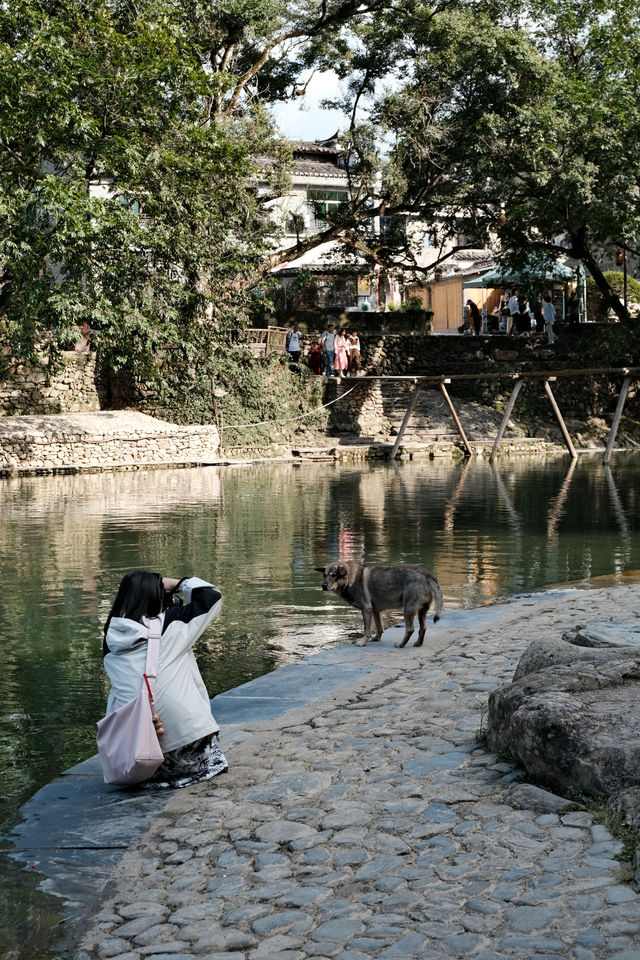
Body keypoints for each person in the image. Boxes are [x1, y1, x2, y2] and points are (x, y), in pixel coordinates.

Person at [102, 571, 228, 789]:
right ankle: (187, 766)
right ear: (155, 597)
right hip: (184, 750)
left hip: (134, 756)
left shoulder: (110, 637)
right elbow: (212, 596)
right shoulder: (169, 624)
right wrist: (179, 583)